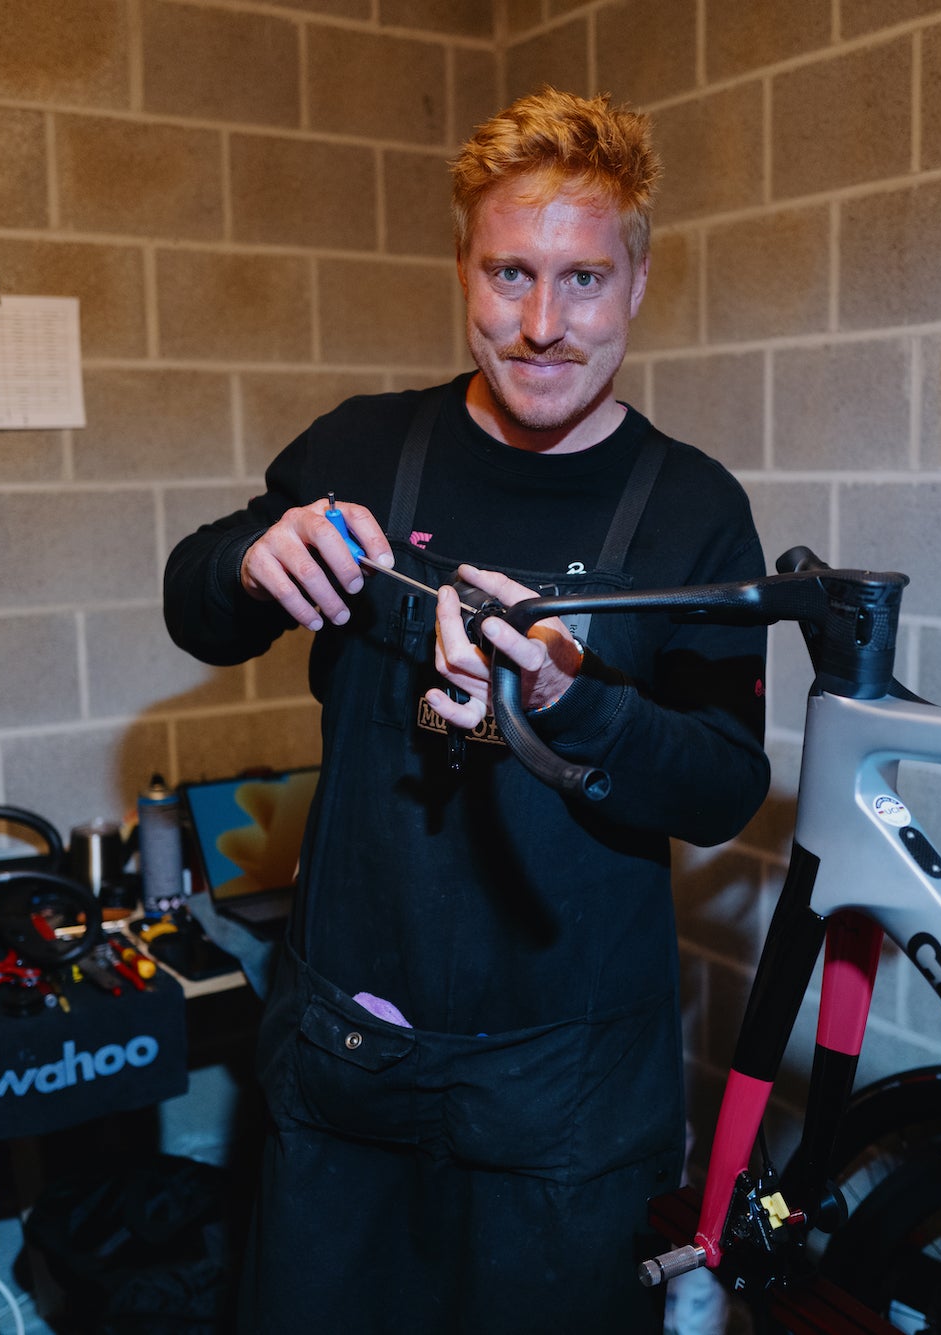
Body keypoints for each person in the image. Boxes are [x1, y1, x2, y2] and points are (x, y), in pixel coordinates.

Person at [163, 87, 770, 1334]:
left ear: (637, 283)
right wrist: (245, 558)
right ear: (461, 269)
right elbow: (196, 607)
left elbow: (721, 784)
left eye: (583, 281)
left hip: (570, 1099)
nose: (543, 326)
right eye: (508, 273)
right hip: (350, 1062)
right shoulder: (363, 448)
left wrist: (569, 699)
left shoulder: (690, 506)